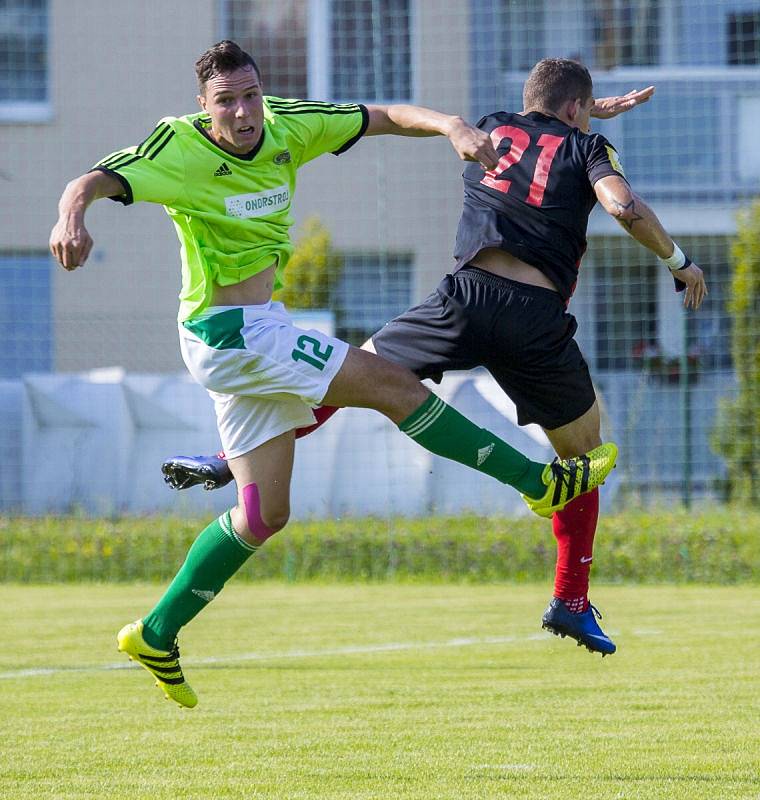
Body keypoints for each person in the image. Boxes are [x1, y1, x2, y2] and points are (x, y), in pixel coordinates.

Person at [49, 42, 618, 708]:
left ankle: (155, 633)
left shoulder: (287, 123)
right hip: (229, 333)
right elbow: (89, 180)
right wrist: (71, 217)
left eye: (250, 94)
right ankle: (539, 483)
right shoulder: (177, 148)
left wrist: (451, 127)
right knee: (393, 386)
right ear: (203, 107)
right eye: (226, 100)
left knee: (264, 515)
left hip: (256, 330)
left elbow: (383, 116)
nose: (243, 111)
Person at [164, 57, 708, 660]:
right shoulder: (589, 149)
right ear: (579, 111)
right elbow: (622, 206)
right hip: (535, 320)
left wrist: (584, 113)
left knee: (356, 376)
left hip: (463, 297)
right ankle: (570, 600)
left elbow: (542, 128)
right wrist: (679, 262)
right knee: (582, 461)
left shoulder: (493, 126)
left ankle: (225, 459)